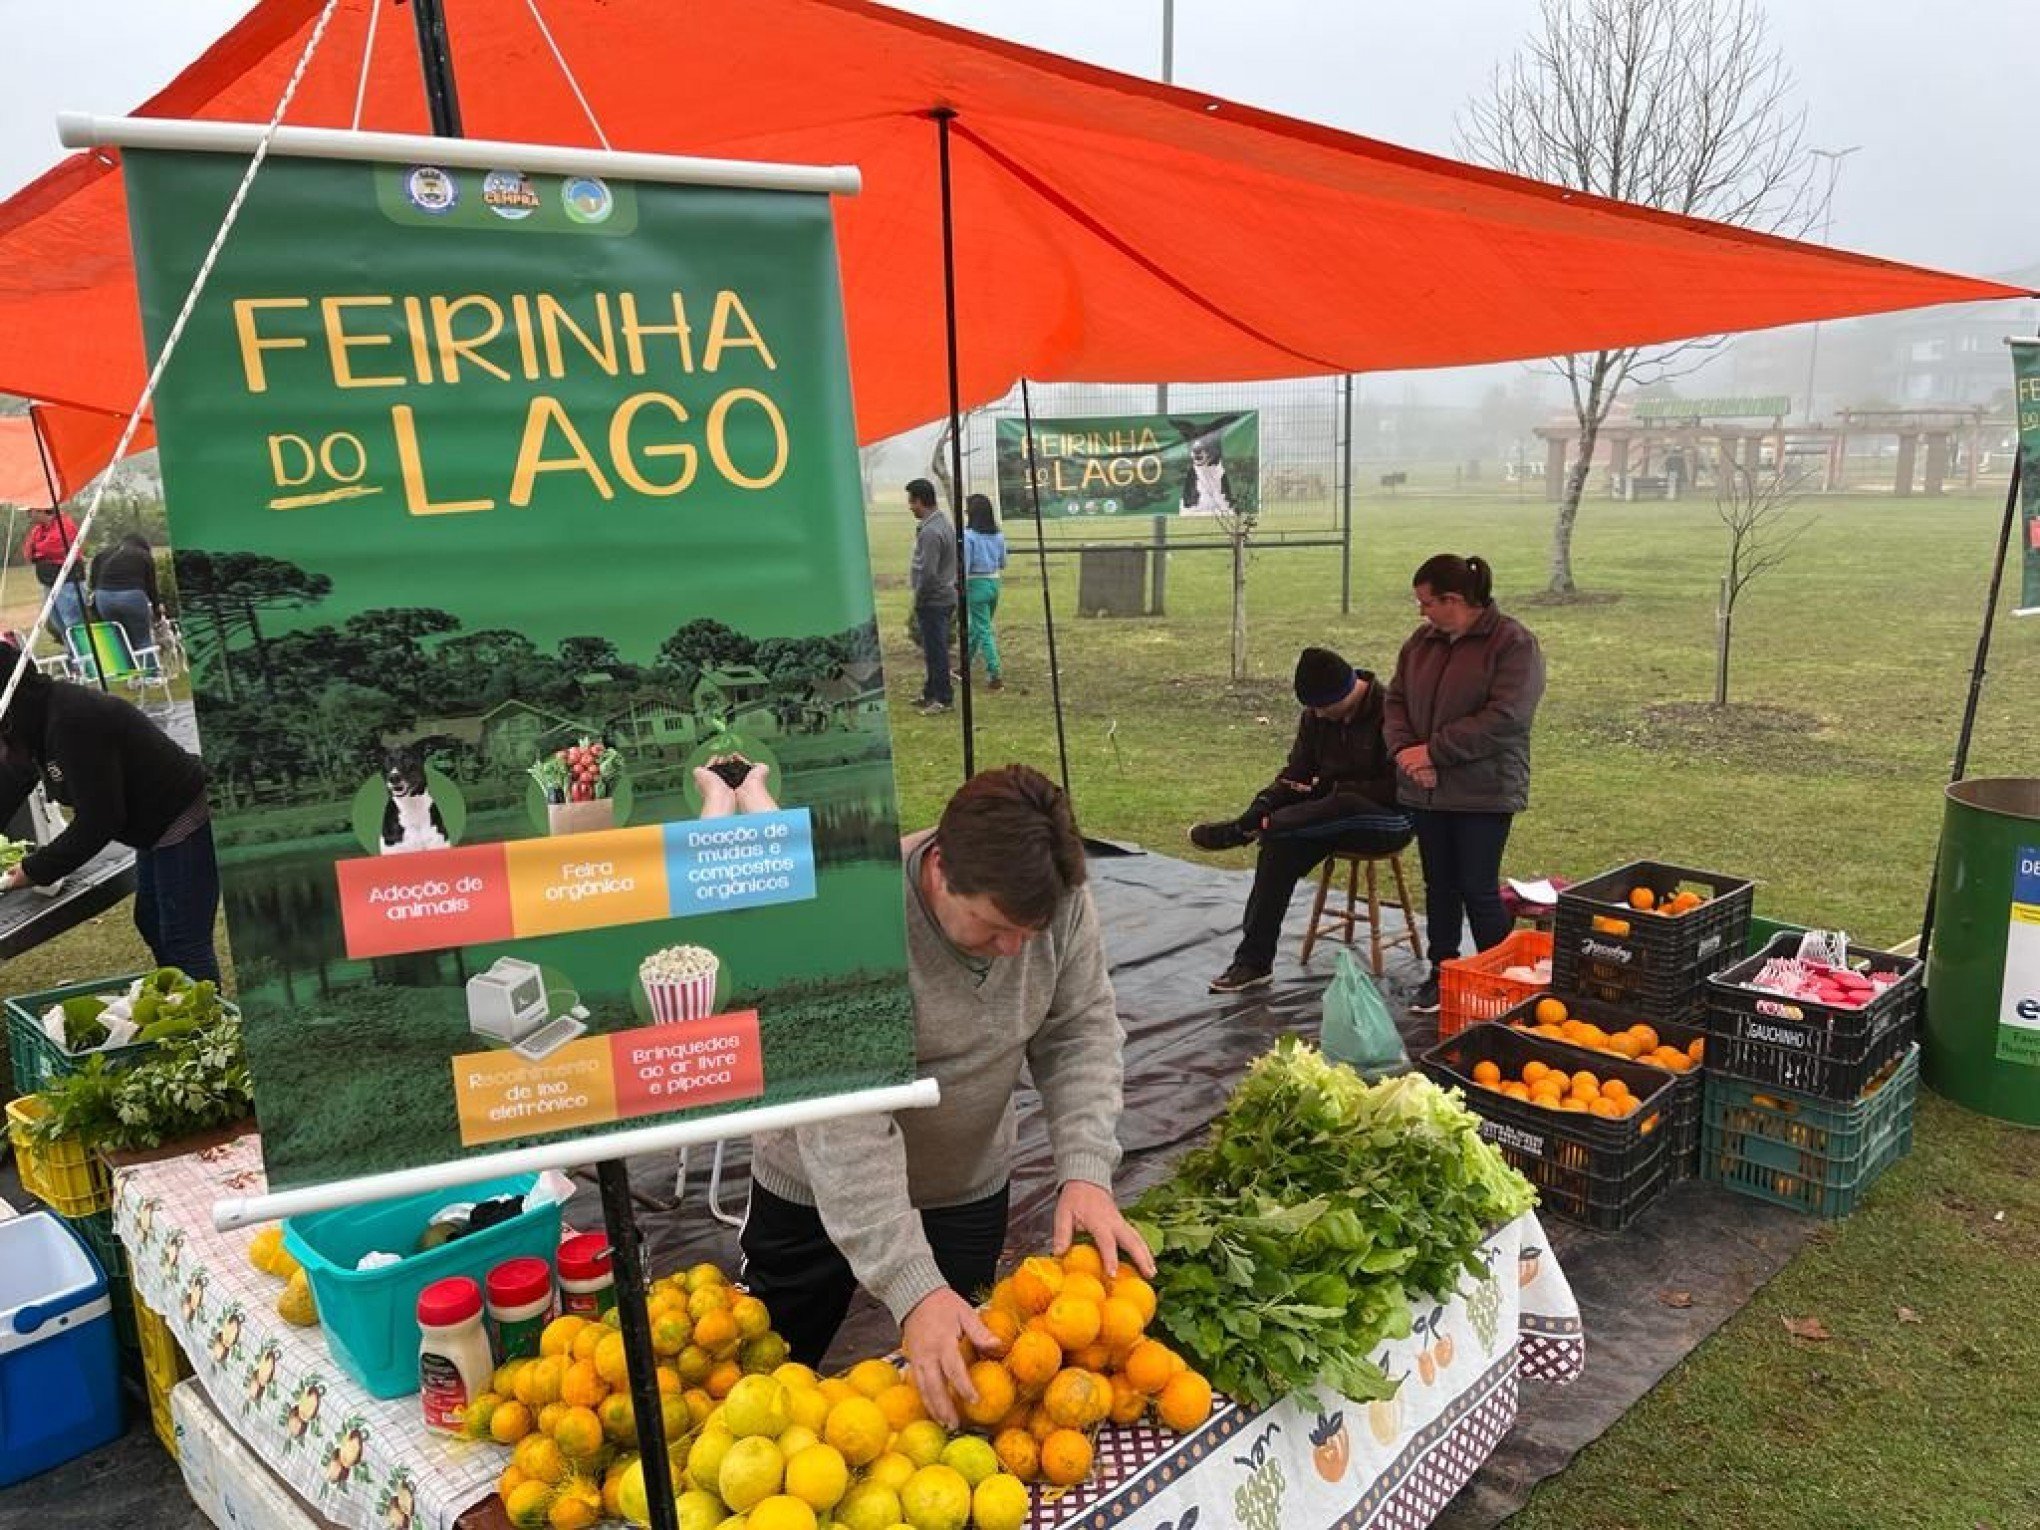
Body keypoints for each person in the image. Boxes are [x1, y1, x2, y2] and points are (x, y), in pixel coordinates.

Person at [742, 764, 1153, 1425]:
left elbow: (1079, 1031)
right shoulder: (851, 919)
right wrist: (912, 1287)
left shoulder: (1055, 898)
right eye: (993, 928)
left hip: (965, 1184)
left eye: (1031, 932)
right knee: (761, 1394)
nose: (1016, 950)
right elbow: (848, 1125)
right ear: (938, 869)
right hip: (814, 1190)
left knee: (963, 1390)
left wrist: (1085, 1168)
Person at [1192, 646, 1414, 993]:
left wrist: (1332, 792)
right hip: (1321, 815)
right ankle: (1253, 960)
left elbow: (1401, 786)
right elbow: (1297, 774)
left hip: (1388, 818)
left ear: (1345, 690)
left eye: (1322, 707)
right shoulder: (1315, 718)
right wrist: (1264, 804)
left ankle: (1256, 828)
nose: (1317, 715)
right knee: (1279, 844)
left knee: (1343, 804)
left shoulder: (1393, 713)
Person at [1383, 555, 1545, 1014]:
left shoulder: (1513, 644)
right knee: (1440, 885)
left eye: (1427, 602)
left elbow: (1507, 718)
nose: (1421, 612)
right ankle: (1443, 970)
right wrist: (1407, 756)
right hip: (1427, 791)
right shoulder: (1421, 643)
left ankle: (1502, 980)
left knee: (1477, 886)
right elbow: (1395, 702)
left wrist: (1434, 752)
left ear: (1454, 600)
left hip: (1483, 792)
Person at [0, 642, 220, 981]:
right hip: (151, 827)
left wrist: (32, 870)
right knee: (150, 921)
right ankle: (183, 1003)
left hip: (184, 816)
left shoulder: (71, 721)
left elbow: (99, 820)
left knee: (183, 936)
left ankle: (204, 1023)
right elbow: (17, 777)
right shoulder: (35, 719)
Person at [906, 478, 958, 715]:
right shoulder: (943, 523)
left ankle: (943, 699)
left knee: (936, 652)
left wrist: (919, 597)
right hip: (945, 596)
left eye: (911, 501)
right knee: (933, 649)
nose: (910, 507)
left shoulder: (930, 532)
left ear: (920, 500)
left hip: (933, 600)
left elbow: (928, 573)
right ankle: (930, 693)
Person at [89, 533, 163, 672]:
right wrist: (157, 606)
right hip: (131, 596)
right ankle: (152, 674)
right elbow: (151, 586)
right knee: (142, 637)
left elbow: (94, 579)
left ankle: (129, 674)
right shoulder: (143, 555)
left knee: (119, 636)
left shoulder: (105, 553)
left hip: (103, 597)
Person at [21, 505, 88, 642]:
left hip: (68, 583)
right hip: (48, 583)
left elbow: (55, 547)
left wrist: (38, 550)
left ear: (41, 510)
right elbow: (28, 552)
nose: (28, 515)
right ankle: (72, 657)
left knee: (73, 624)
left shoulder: (64, 524)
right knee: (58, 623)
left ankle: (84, 658)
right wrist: (38, 551)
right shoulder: (38, 530)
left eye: (30, 511)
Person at [961, 493, 1007, 692]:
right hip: (994, 583)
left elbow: (965, 566)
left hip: (975, 584)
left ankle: (994, 673)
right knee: (979, 627)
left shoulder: (969, 536)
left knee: (983, 629)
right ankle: (964, 665)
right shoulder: (998, 535)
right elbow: (1003, 562)